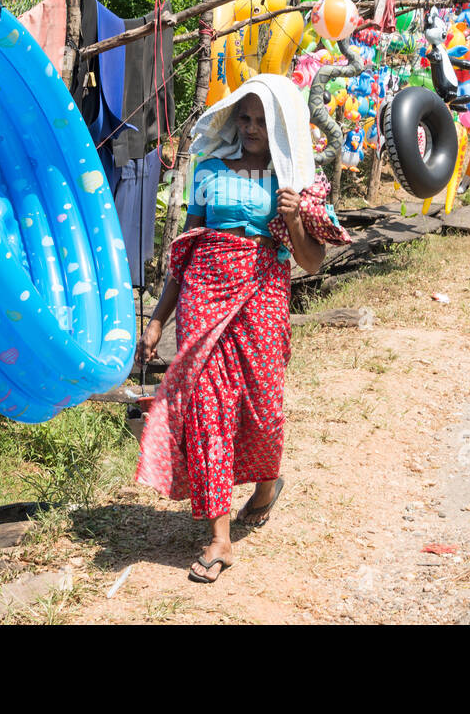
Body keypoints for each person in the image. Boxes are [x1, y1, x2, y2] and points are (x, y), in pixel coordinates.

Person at [135, 75, 348, 583]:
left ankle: (267, 481)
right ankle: (219, 538)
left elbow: (312, 262)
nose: (251, 128)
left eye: (261, 121)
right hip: (203, 297)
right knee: (208, 408)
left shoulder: (295, 180)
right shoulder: (208, 170)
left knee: (262, 406)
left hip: (262, 300)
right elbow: (185, 249)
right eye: (245, 118)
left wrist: (294, 218)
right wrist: (158, 318)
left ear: (278, 127)